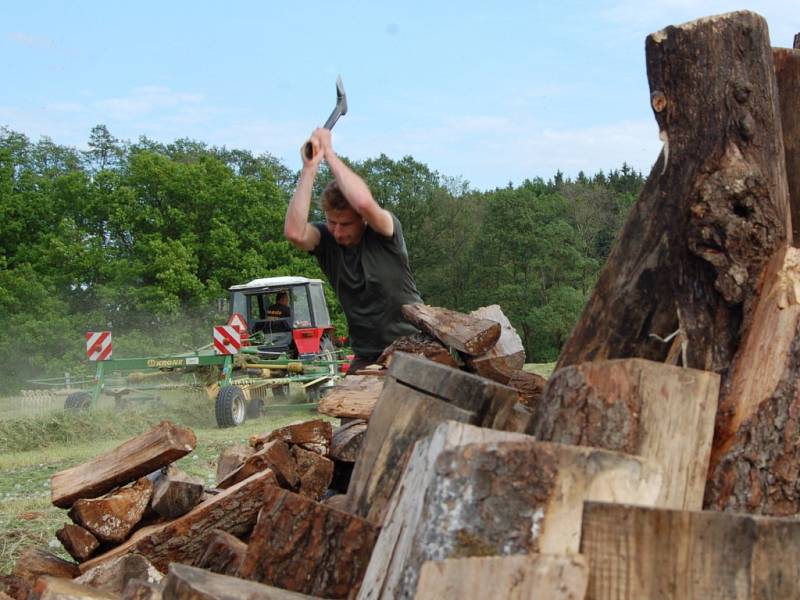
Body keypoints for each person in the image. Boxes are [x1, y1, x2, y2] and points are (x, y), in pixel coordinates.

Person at [284, 128, 422, 372]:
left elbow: (363, 202)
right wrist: (309, 169)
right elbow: (294, 232)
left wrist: (329, 154)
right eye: (331, 222)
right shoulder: (326, 241)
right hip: (367, 355)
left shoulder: (384, 231)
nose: (337, 232)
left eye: (345, 224)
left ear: (363, 220)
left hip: (414, 347)